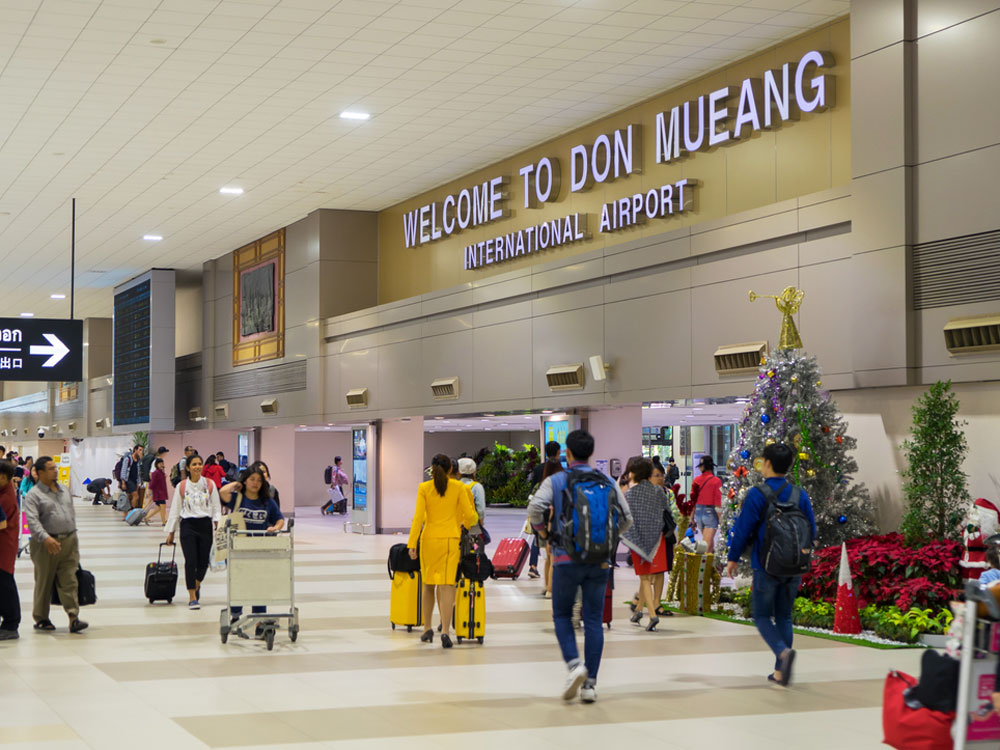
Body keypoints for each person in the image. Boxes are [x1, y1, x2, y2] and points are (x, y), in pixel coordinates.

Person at [528, 429, 633, 704]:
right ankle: (590, 685)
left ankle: (575, 665)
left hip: (566, 559)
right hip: (599, 561)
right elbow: (626, 518)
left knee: (563, 615)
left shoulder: (558, 480)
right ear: (591, 453)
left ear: (568, 453)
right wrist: (608, 539)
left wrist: (542, 533)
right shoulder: (607, 481)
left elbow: (535, 508)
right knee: (594, 620)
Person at [726, 443, 816, 687]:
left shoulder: (758, 494)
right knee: (784, 617)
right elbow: (812, 529)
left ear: (766, 463)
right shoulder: (800, 494)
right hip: (795, 565)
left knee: (762, 615)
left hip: (765, 565)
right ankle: (780, 672)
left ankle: (782, 652)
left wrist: (733, 557)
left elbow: (743, 529)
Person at [407, 453, 478, 649]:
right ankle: (445, 631)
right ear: (450, 470)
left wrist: (411, 543)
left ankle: (427, 628)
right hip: (450, 540)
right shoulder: (459, 487)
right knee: (447, 586)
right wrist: (462, 523)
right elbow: (471, 517)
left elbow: (418, 517)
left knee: (428, 585)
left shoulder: (424, 488)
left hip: (428, 540)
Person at [22, 456, 88, 633]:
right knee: (44, 580)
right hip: (46, 544)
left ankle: (73, 617)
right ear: (40, 472)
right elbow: (33, 521)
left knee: (70, 579)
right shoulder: (34, 495)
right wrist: (46, 538)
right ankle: (41, 618)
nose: (56, 470)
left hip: (69, 541)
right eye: (51, 468)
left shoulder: (64, 490)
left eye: (56, 467)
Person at [219, 466, 284, 627]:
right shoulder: (238, 498)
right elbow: (222, 493)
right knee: (238, 582)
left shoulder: (267, 502)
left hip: (259, 548)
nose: (255, 483)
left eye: (259, 480)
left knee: (259, 584)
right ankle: (235, 614)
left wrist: (275, 528)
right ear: (245, 480)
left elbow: (280, 519)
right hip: (237, 548)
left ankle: (259, 618)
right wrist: (236, 484)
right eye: (252, 479)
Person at [165, 455, 221, 610]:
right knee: (191, 561)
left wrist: (218, 524)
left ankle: (196, 585)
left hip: (205, 525)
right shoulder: (182, 486)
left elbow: (216, 506)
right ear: (188, 467)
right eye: (194, 464)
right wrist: (171, 531)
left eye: (200, 464)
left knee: (203, 562)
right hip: (188, 526)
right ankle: (192, 597)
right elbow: (175, 509)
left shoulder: (210, 484)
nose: (197, 466)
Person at [622, 458, 670, 631]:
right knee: (649, 575)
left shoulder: (630, 495)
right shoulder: (658, 492)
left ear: (633, 473)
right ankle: (638, 610)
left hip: (638, 541)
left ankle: (652, 615)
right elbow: (667, 510)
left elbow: (625, 520)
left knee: (643, 578)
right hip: (657, 540)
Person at [528, 441, 562, 579]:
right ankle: (551, 588)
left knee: (539, 538)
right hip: (555, 515)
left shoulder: (538, 469)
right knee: (552, 554)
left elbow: (532, 492)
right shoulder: (561, 471)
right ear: (558, 452)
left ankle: (533, 566)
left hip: (540, 511)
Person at [0, 460, 20, 640]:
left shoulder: (5, 497)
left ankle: (11, 623)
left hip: (4, 546)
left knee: (5, 584)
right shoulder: (4, 492)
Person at [691, 455, 722, 551]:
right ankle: (701, 565)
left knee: (709, 544)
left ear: (703, 467)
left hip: (698, 513)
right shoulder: (716, 481)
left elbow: (693, 501)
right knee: (705, 546)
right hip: (710, 514)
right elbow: (717, 503)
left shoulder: (696, 480)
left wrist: (692, 518)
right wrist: (721, 519)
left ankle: (711, 564)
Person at [457, 458, 487, 545]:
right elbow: (480, 509)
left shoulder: (454, 485)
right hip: (472, 526)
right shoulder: (477, 487)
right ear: (474, 471)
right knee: (475, 551)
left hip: (455, 525)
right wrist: (481, 523)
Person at [119, 445, 144, 518]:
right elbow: (123, 470)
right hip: (127, 480)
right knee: (136, 496)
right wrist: (123, 482)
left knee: (129, 497)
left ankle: (126, 515)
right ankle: (131, 514)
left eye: (142, 450)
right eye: (139, 450)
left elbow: (139, 471)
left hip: (134, 480)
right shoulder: (128, 459)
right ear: (135, 450)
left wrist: (138, 482)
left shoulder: (139, 460)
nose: (141, 452)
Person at [143, 458, 169, 526]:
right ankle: (163, 522)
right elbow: (152, 483)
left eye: (162, 463)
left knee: (159, 508)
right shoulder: (156, 473)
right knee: (162, 507)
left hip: (162, 492)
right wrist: (149, 490)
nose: (161, 465)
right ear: (156, 464)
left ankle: (147, 518)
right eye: (160, 463)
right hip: (159, 493)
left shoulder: (161, 472)